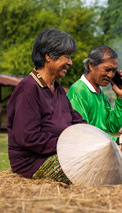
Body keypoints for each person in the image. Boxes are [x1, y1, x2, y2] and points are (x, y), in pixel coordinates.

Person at [7, 28, 86, 184]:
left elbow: (77, 122)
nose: (70, 63)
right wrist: (68, 145)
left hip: (58, 153)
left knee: (111, 158)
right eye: (67, 57)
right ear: (48, 56)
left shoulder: (57, 89)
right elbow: (29, 138)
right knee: (91, 165)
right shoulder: (28, 89)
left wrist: (95, 138)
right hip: (33, 163)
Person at [67, 46, 122, 187]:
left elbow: (113, 126)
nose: (111, 75)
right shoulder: (79, 90)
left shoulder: (99, 92)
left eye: (114, 71)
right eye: (107, 70)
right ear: (91, 65)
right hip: (89, 148)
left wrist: (121, 97)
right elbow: (82, 132)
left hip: (103, 143)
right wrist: (114, 143)